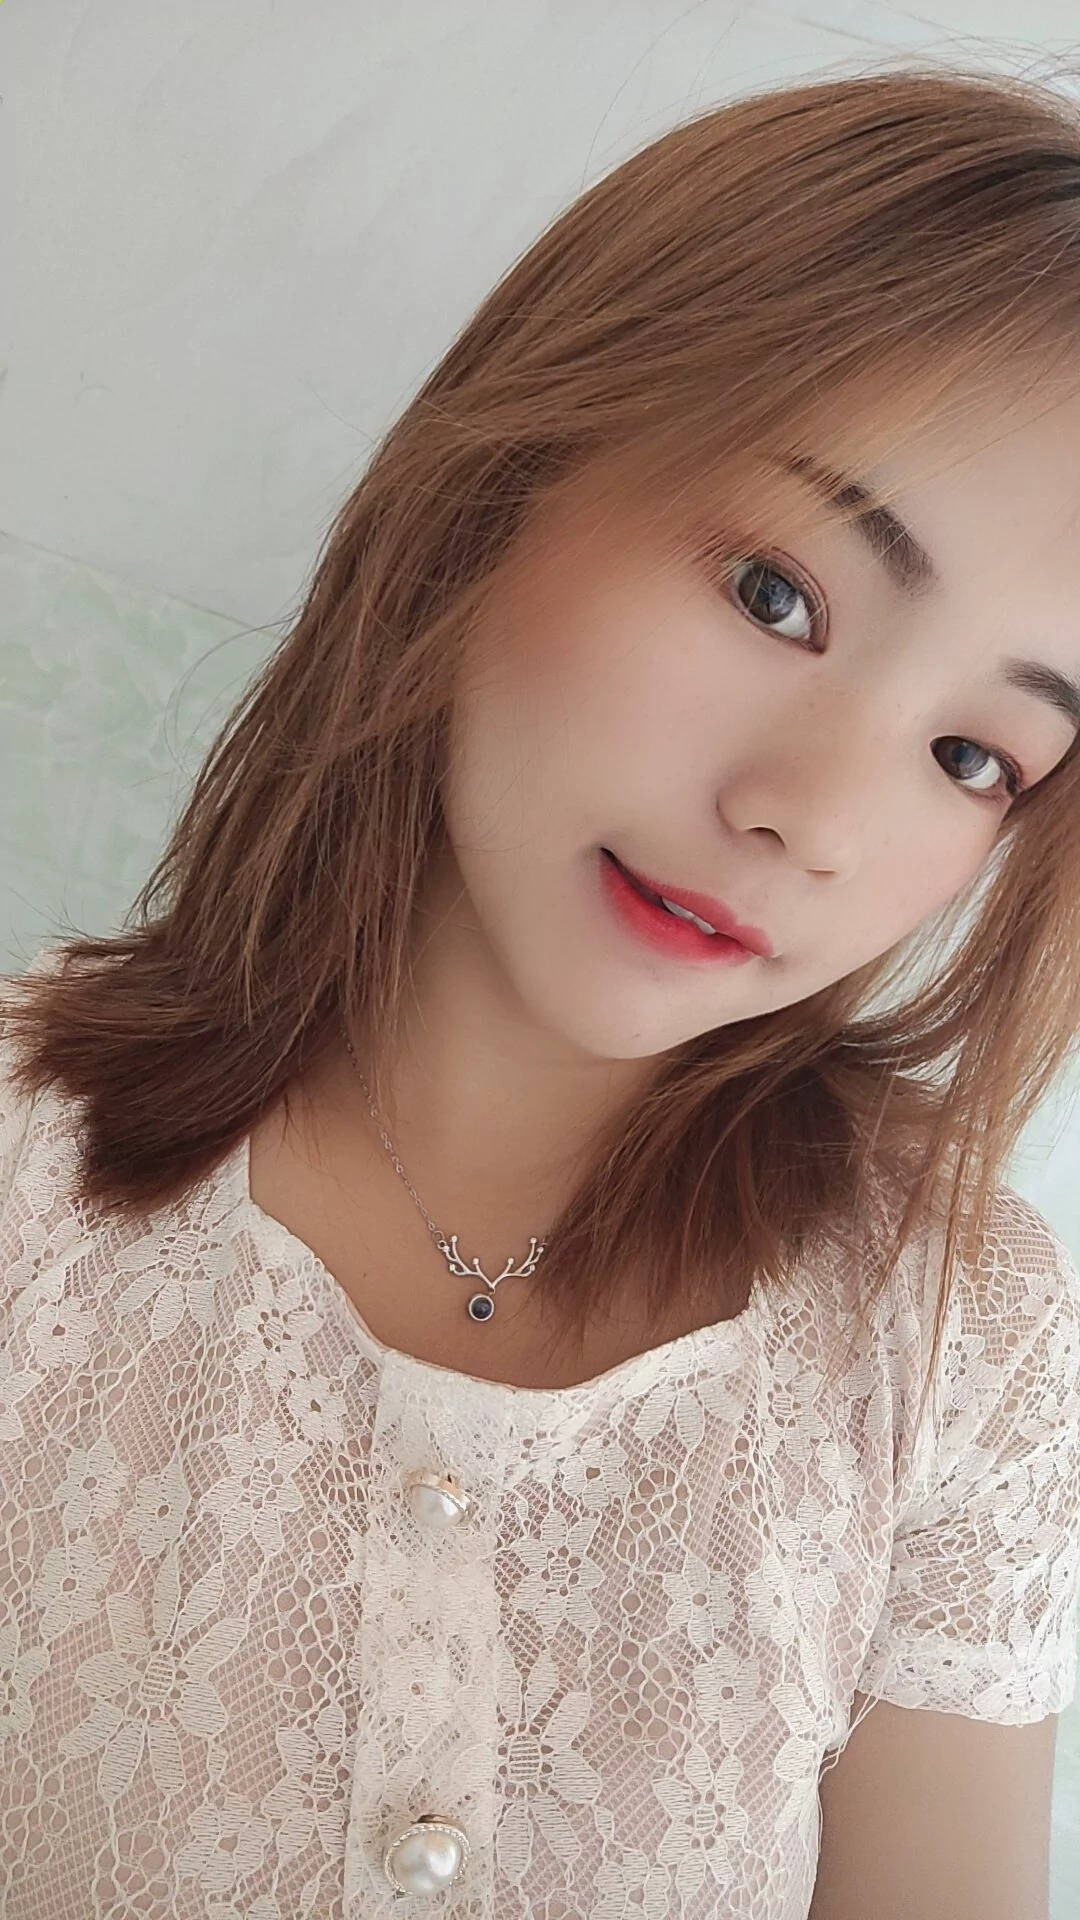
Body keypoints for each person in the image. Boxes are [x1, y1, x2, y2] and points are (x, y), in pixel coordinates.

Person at [3, 59, 1080, 1920]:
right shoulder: (25, 1178)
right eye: (777, 594)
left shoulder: (954, 1335)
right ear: (498, 483)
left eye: (974, 755)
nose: (813, 816)